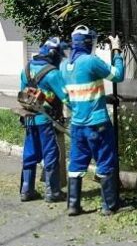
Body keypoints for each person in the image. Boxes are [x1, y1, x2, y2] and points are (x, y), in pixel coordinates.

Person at [61, 25, 124, 216]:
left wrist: (102, 98)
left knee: (76, 165)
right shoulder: (90, 61)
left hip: (78, 125)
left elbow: (75, 95)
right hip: (98, 124)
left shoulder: (64, 65)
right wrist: (116, 50)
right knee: (105, 162)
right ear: (88, 43)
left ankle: (73, 205)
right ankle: (109, 206)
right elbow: (118, 75)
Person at [18, 37, 70, 202]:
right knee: (50, 154)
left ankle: (26, 190)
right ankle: (53, 192)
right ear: (54, 54)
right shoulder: (52, 74)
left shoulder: (26, 69)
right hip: (46, 120)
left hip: (28, 119)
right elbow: (66, 97)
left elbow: (22, 94)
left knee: (30, 153)